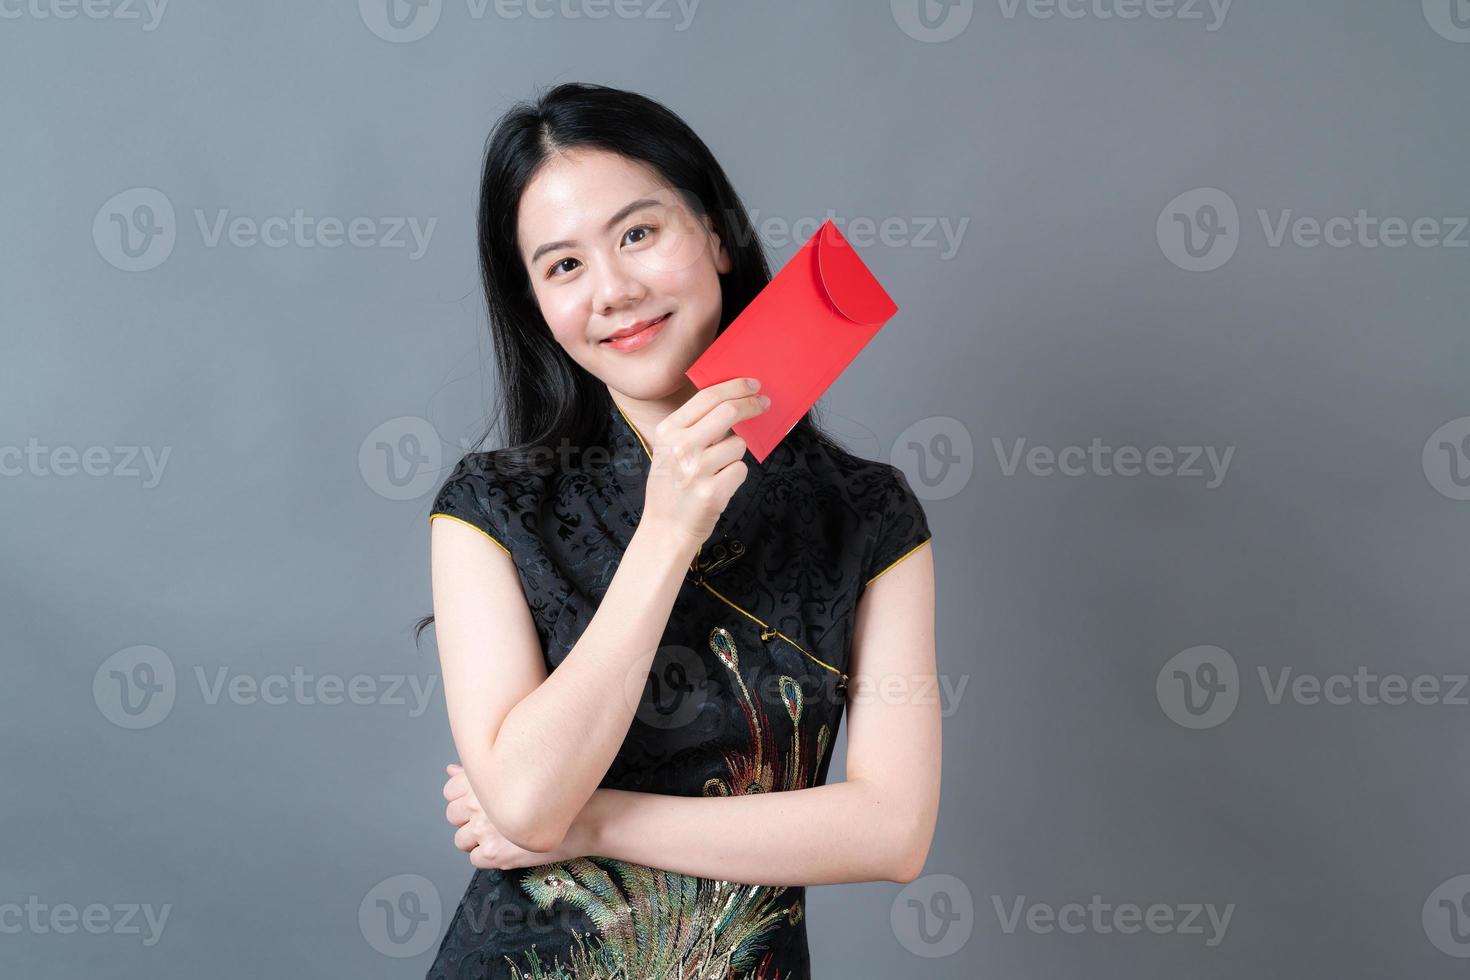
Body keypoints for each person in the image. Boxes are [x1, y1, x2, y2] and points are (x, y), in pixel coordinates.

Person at [419, 81, 940, 979]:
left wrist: (597, 819)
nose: (613, 290)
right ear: (536, 303)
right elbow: (530, 800)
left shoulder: (868, 514)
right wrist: (666, 533)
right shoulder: (491, 508)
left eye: (637, 233)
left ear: (715, 234)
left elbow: (892, 831)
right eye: (563, 266)